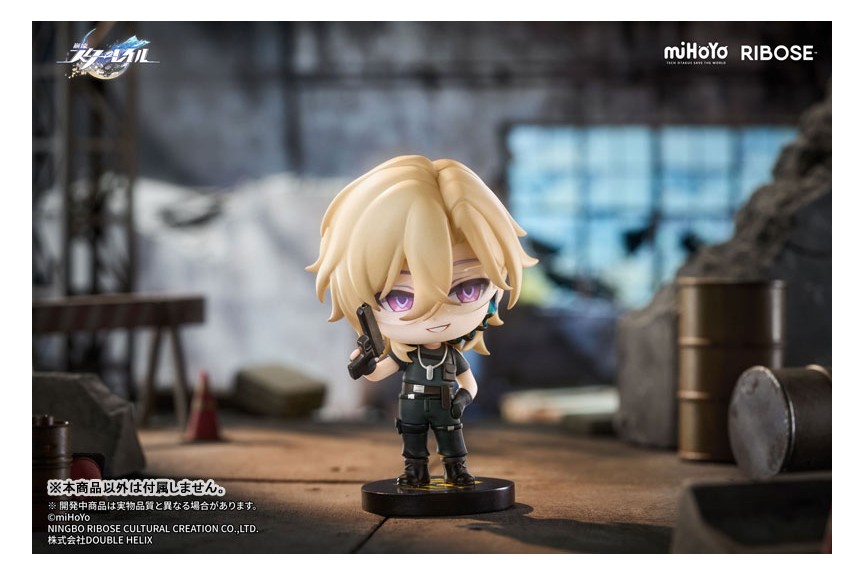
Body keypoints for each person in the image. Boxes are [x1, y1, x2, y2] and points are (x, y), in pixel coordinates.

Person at [308, 155, 537, 486]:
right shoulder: (405, 354)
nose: (431, 314)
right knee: (413, 444)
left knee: (451, 441)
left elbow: (469, 383)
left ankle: (456, 470)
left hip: (446, 408)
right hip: (412, 407)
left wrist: (462, 399)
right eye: (400, 297)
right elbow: (380, 371)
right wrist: (365, 364)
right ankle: (415, 472)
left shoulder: (453, 356)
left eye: (468, 288)